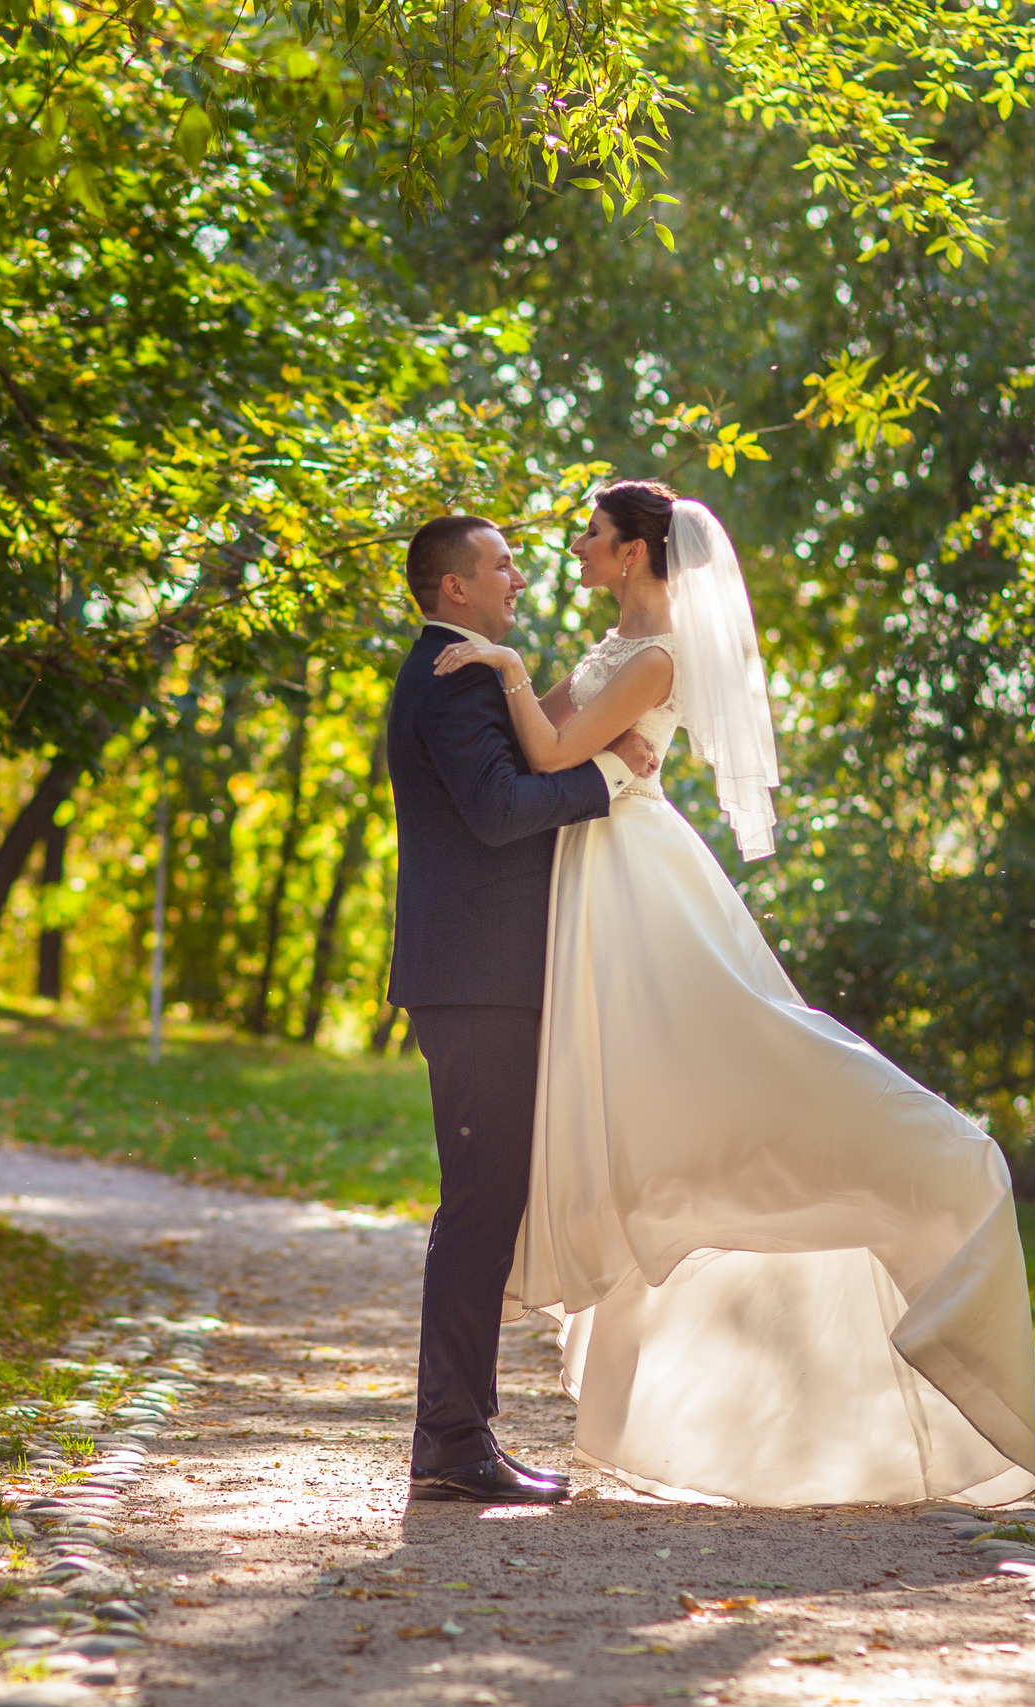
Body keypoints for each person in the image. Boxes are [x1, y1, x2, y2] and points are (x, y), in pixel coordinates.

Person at [429, 480, 1035, 1508]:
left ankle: (939, 1167)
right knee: (638, 1104)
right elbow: (556, 740)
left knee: (737, 1051)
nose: (574, 547)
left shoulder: (657, 654)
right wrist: (528, 687)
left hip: (633, 877)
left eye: (591, 533)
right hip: (594, 875)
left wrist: (508, 668)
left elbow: (542, 750)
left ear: (632, 554)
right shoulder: (616, 648)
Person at [384, 513, 662, 1504]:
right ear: (454, 588)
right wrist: (613, 776)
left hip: (480, 978)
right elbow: (503, 812)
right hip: (474, 981)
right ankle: (452, 1442)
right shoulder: (453, 681)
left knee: (483, 1204)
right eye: (499, 565)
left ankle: (454, 1436)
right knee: (477, 1208)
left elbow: (514, 774)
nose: (518, 578)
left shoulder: (464, 671)